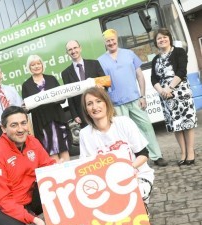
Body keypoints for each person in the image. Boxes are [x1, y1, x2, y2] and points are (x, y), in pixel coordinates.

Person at [98, 29, 168, 167]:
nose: (111, 43)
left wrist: (142, 96)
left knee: (146, 127)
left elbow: (140, 76)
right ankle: (132, 160)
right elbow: (102, 86)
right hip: (116, 103)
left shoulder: (129, 54)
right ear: (105, 43)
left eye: (113, 39)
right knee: (123, 134)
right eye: (108, 41)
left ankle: (156, 156)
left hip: (135, 99)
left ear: (117, 39)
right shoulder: (100, 61)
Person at [79, 87, 154, 215]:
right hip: (105, 183)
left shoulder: (124, 123)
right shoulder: (84, 134)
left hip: (135, 175)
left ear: (106, 103)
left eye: (98, 101)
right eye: (89, 104)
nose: (94, 107)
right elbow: (86, 167)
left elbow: (144, 155)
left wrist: (123, 171)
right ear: (86, 110)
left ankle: (142, 207)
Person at [151, 28, 197, 166]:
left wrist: (170, 88)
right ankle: (183, 152)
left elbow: (182, 71)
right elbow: (153, 79)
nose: (162, 40)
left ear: (169, 38)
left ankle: (190, 152)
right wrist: (163, 91)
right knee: (176, 125)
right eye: (159, 38)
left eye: (165, 37)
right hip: (166, 97)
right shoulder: (155, 59)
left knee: (187, 123)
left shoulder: (179, 52)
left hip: (181, 92)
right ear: (156, 42)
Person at [22, 54, 70, 162]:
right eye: (33, 65)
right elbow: (27, 108)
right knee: (51, 152)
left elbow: (62, 99)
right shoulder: (26, 85)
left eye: (38, 63)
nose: (36, 66)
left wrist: (50, 98)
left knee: (64, 148)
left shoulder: (52, 79)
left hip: (58, 120)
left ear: (42, 65)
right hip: (42, 124)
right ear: (29, 68)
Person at [61, 40, 105, 128]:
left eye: (75, 48)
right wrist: (74, 115)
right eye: (70, 50)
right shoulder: (65, 73)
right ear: (67, 53)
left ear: (80, 48)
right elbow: (69, 95)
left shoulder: (94, 64)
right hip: (82, 112)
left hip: (99, 108)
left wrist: (102, 88)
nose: (73, 51)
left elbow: (105, 84)